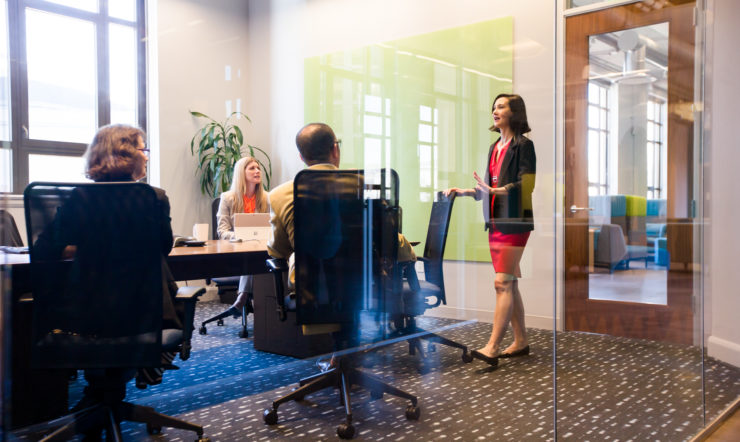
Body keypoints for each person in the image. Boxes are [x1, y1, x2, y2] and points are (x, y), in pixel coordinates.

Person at [33, 124, 181, 409]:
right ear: (126, 154)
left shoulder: (79, 198)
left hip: (84, 319)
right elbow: (163, 249)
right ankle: (117, 386)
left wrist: (85, 247)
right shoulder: (153, 198)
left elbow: (43, 249)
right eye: (143, 149)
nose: (147, 157)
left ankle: (97, 397)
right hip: (142, 316)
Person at [443, 93, 536, 367]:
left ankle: (493, 347)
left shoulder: (523, 146)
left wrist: (498, 190)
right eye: (493, 106)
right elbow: (487, 188)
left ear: (514, 113)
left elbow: (526, 185)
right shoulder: (495, 147)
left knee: (501, 283)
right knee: (510, 282)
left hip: (515, 222)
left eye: (501, 106)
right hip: (495, 222)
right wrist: (464, 192)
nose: (495, 111)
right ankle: (520, 341)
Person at [209, 156, 269, 321]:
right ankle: (246, 299)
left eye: (258, 168)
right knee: (251, 260)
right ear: (241, 173)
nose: (257, 171)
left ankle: (242, 299)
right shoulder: (228, 198)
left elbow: (272, 228)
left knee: (256, 258)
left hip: (260, 251)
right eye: (251, 168)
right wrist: (242, 236)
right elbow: (222, 231)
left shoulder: (267, 198)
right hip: (236, 253)